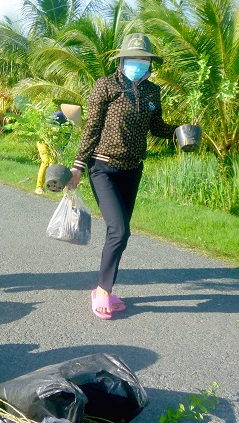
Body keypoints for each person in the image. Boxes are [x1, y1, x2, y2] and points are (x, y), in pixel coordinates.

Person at [67, 33, 180, 320]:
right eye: (133, 59)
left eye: (144, 60)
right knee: (119, 230)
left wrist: (180, 131)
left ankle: (104, 286)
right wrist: (78, 166)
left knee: (120, 232)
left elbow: (157, 127)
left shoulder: (153, 92)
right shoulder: (105, 86)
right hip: (102, 167)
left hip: (133, 170)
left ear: (150, 63)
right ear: (122, 61)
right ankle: (103, 290)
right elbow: (91, 128)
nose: (138, 64)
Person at [35, 104, 81, 195]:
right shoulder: (58, 115)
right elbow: (45, 127)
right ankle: (38, 187)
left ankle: (51, 185)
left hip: (53, 143)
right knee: (45, 161)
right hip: (43, 140)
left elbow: (65, 141)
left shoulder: (70, 126)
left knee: (52, 163)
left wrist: (60, 151)